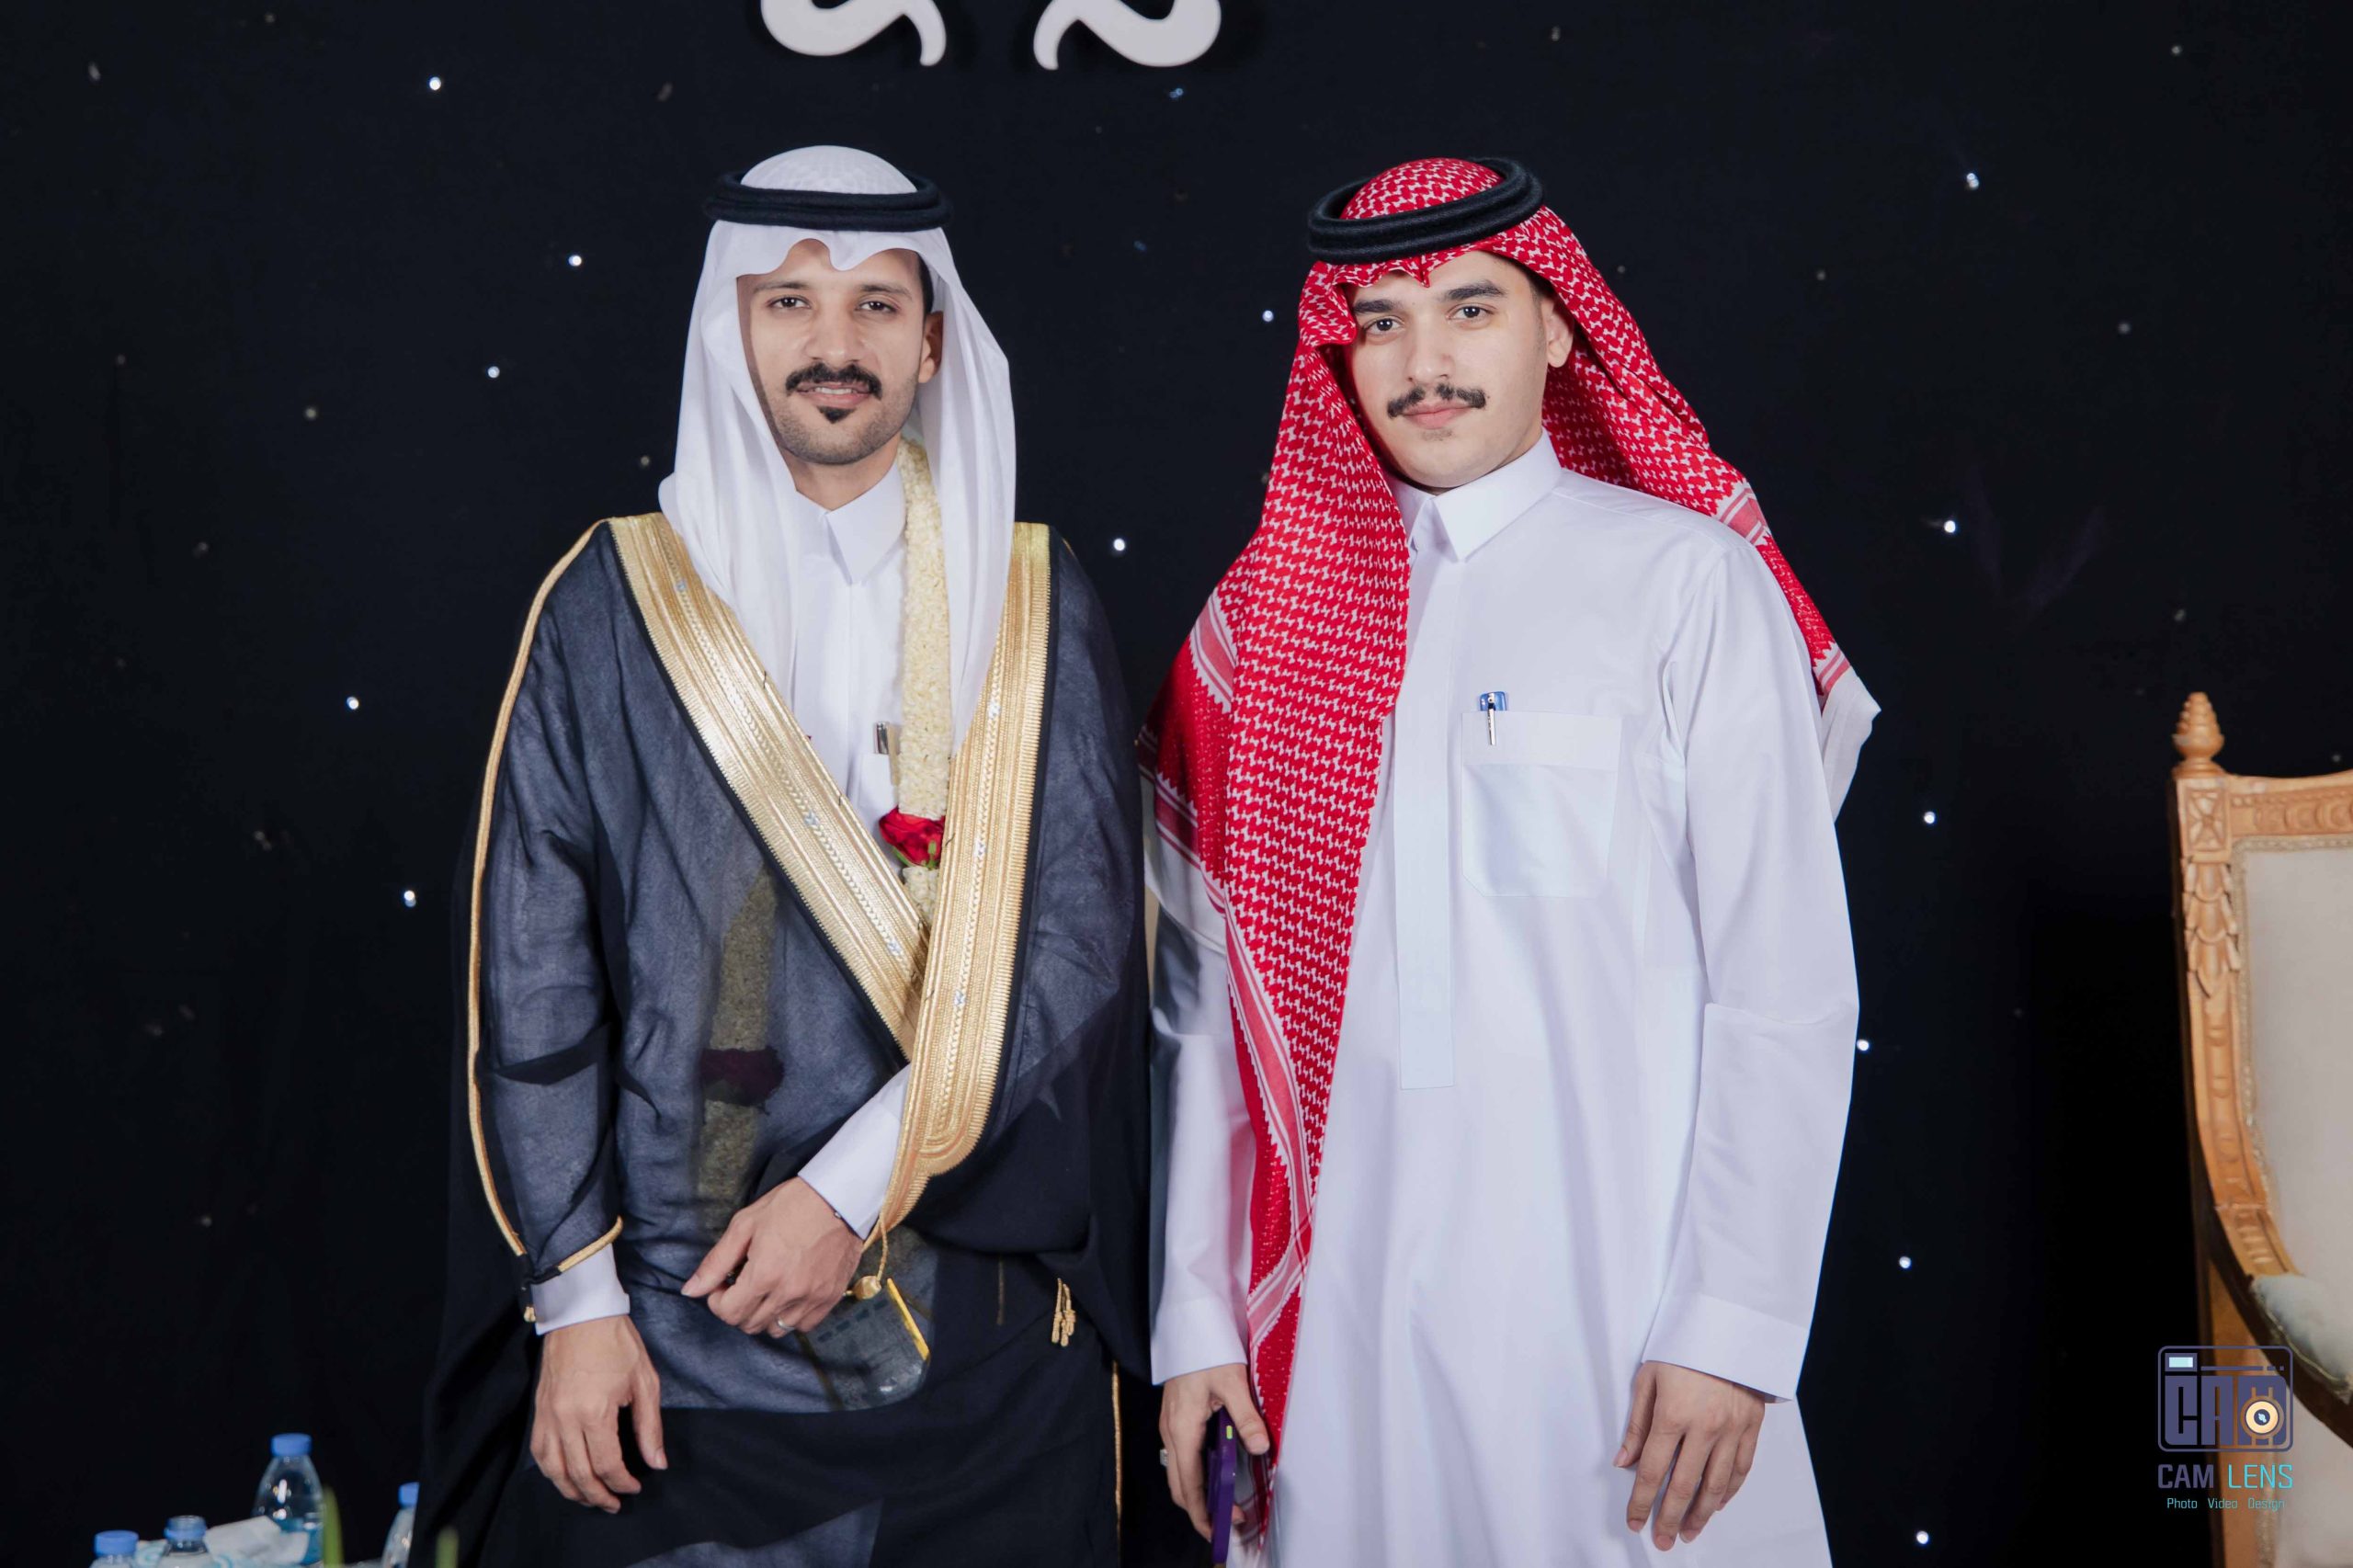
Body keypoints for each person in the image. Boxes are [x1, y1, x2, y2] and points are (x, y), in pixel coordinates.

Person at [415, 144, 1151, 1567]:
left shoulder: (1031, 595)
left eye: (879, 304)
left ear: (933, 343)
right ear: (729, 327)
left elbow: (1073, 947)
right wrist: (578, 1306)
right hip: (676, 1334)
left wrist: (843, 1192)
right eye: (790, 301)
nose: (835, 344)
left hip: (975, 1331)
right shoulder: (609, 602)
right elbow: (532, 975)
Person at [1142, 155, 1877, 1565]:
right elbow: (1206, 1021)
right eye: (1382, 321)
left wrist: (1731, 1326)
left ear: (1556, 327)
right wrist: (1195, 1321)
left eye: (1470, 309)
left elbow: (1783, 992)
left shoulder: (1686, 582)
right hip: (1336, 1338)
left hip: (1618, 1325)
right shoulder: (1261, 628)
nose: (1425, 362)